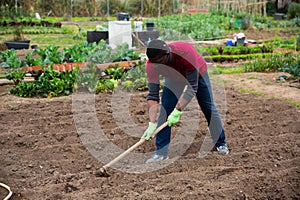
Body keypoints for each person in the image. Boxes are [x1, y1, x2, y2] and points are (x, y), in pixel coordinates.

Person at [142, 39, 229, 163]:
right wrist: (151, 123)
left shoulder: (185, 53)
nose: (157, 66)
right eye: (154, 63)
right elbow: (153, 96)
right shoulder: (152, 65)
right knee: (165, 110)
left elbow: (192, 87)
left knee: (207, 107)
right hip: (174, 77)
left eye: (159, 62)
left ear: (167, 55)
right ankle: (161, 153)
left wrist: (177, 110)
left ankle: (221, 143)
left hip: (198, 74)